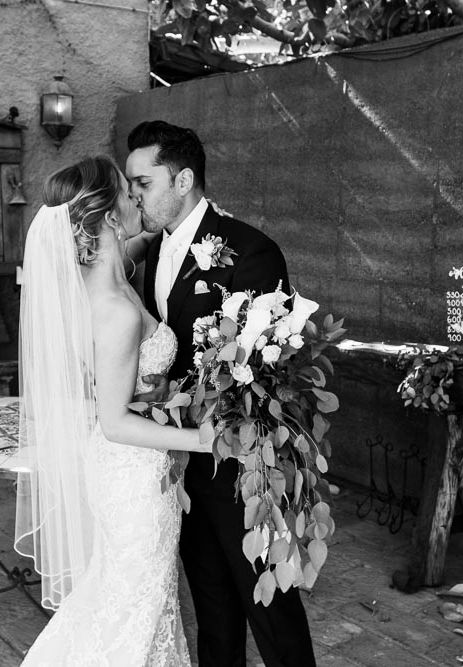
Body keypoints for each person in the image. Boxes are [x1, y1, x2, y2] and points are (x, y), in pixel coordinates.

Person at [125, 120, 317, 667]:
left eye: (144, 183)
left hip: (239, 464)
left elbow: (271, 364)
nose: (136, 194)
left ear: (183, 180)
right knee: (212, 608)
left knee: (271, 607)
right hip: (180, 461)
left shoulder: (251, 252)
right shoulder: (152, 252)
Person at [14, 156, 212, 665]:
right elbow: (116, 421)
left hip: (127, 469)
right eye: (128, 191)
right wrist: (202, 438)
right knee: (133, 605)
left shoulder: (99, 278)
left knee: (127, 597)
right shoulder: (117, 309)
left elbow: (134, 245)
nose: (136, 198)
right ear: (105, 215)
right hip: (131, 475)